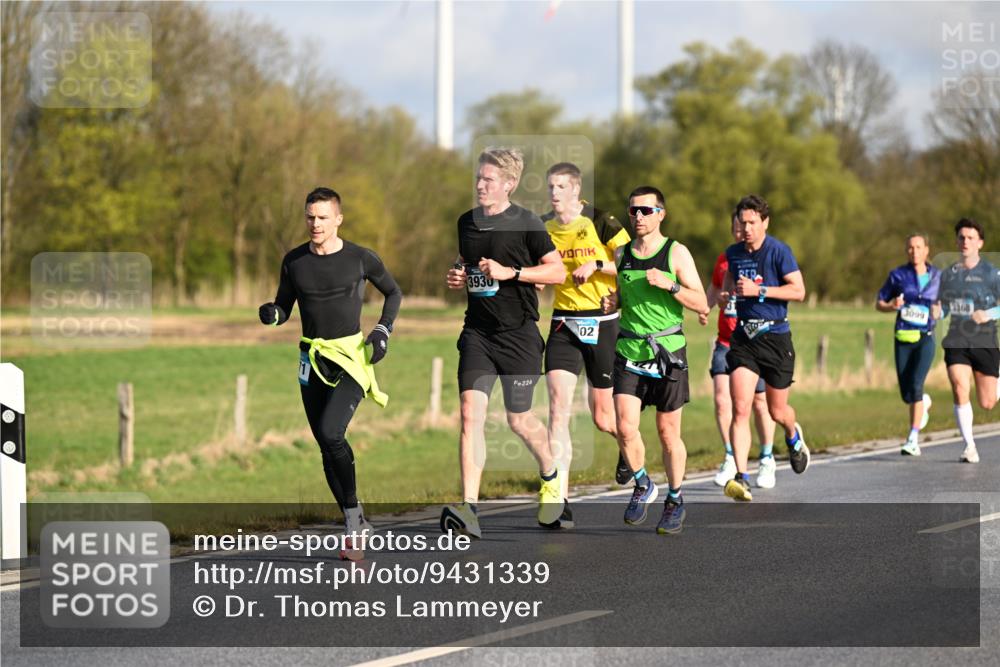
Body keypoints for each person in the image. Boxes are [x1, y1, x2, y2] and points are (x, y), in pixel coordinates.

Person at [259, 187, 402, 560]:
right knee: (326, 445)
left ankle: (354, 519)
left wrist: (382, 331)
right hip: (311, 358)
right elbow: (283, 306)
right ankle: (353, 517)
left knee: (330, 431)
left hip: (350, 357)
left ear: (338, 218)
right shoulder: (294, 261)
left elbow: (394, 292)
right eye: (310, 216)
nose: (315, 224)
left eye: (323, 217)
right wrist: (273, 314)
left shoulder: (360, 258)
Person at [440, 148, 567, 538]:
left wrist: (510, 273)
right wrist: (460, 275)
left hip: (519, 335)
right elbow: (467, 260)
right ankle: (470, 509)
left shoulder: (526, 223)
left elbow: (557, 271)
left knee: (519, 421)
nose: (480, 185)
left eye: (488, 180)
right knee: (469, 414)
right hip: (478, 333)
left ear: (509, 185)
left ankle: (550, 476)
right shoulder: (466, 222)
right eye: (478, 178)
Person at [601, 186, 708, 535]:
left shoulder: (676, 253)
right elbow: (623, 296)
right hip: (629, 350)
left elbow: (702, 302)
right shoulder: (622, 255)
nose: (638, 217)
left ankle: (675, 499)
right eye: (633, 211)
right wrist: (612, 303)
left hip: (667, 353)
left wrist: (670, 285)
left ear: (661, 213)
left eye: (646, 210)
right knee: (625, 427)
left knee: (667, 433)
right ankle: (643, 483)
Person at [539, 162, 632, 524]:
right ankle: (559, 499)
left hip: (603, 321)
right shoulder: (544, 226)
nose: (555, 193)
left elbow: (631, 263)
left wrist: (596, 264)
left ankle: (627, 447)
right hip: (564, 322)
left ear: (576, 191)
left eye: (562, 187)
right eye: (551, 187)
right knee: (558, 408)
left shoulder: (601, 220)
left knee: (603, 417)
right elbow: (540, 266)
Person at [721, 194, 808, 502]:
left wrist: (760, 290)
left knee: (776, 409)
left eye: (752, 223)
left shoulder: (779, 251)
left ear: (765, 223)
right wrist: (725, 295)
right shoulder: (733, 253)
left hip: (776, 338)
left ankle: (793, 435)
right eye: (742, 222)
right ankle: (741, 477)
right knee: (741, 406)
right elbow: (729, 285)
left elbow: (799, 291)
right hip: (744, 338)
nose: (746, 228)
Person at [701, 214, 777, 489]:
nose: (740, 231)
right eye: (736, 227)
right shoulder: (724, 259)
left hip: (755, 344)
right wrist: (707, 306)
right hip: (725, 342)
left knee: (758, 404)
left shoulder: (763, 258)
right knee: (723, 401)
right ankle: (731, 456)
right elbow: (714, 289)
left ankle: (767, 457)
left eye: (744, 227)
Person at [934, 218, 1000, 463]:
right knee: (960, 386)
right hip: (957, 340)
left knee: (987, 403)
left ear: (980, 243)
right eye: (961, 237)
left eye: (971, 238)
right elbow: (945, 308)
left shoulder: (992, 273)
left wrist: (989, 314)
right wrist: (938, 312)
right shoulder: (948, 275)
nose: (965, 242)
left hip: (985, 340)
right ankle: (969, 446)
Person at [875, 233, 941, 456]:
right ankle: (923, 402)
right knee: (907, 393)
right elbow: (879, 303)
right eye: (910, 248)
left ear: (926, 250)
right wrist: (891, 305)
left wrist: (940, 311)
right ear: (907, 251)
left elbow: (947, 305)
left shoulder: (937, 277)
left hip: (926, 337)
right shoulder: (898, 275)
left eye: (919, 247)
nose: (914, 251)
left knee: (916, 384)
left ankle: (912, 438)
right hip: (903, 338)